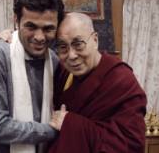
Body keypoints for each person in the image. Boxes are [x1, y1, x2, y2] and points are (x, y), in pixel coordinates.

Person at [0, 0, 64, 153]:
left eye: (48, 29)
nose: (39, 37)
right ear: (16, 21)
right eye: (31, 26)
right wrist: (52, 131)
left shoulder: (55, 61)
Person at [48, 12, 147, 153]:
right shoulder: (64, 73)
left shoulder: (121, 80)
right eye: (63, 47)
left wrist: (70, 123)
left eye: (78, 44)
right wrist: (11, 38)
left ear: (95, 40)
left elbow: (131, 144)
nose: (71, 56)